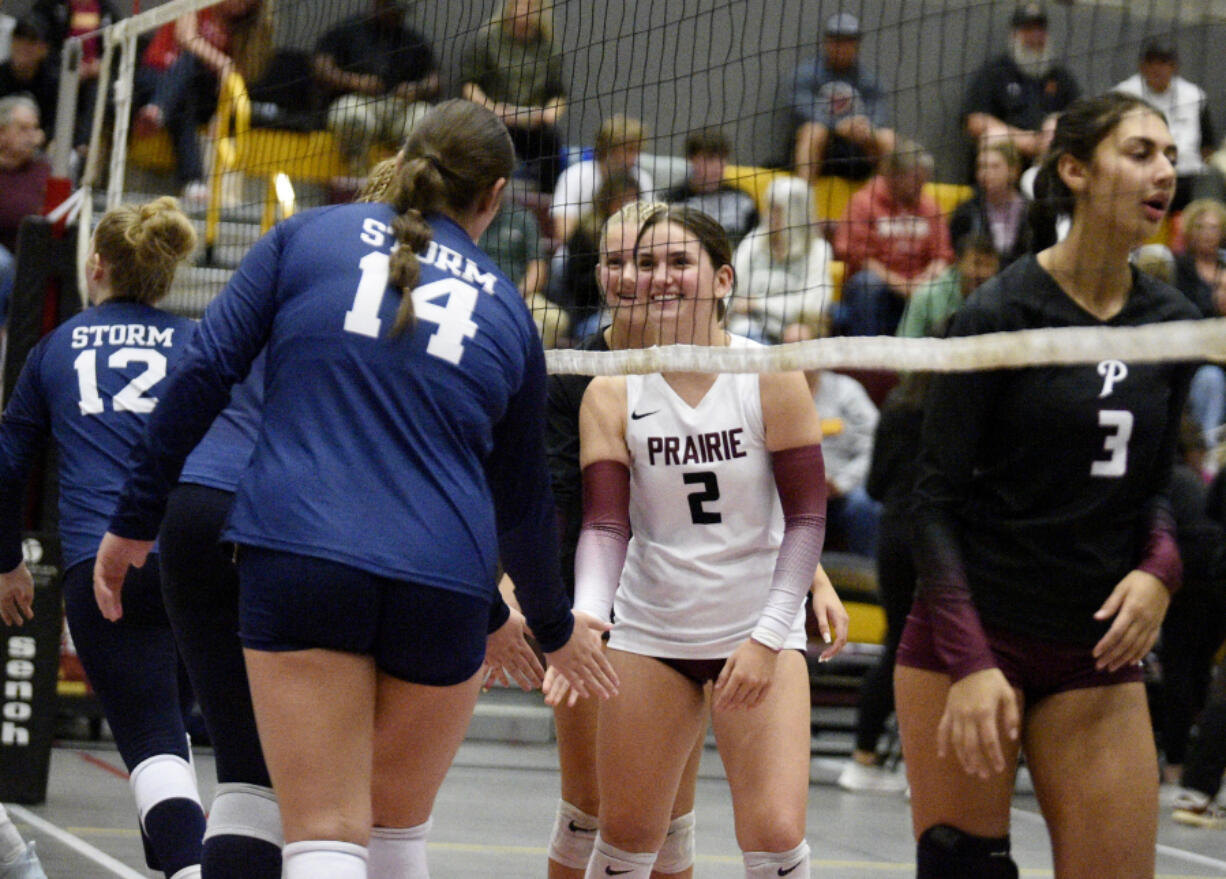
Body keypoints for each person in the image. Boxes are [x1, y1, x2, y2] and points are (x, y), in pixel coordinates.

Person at [93, 100, 617, 879]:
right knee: (396, 831)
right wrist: (548, 621)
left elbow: (203, 373)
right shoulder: (509, 308)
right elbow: (525, 498)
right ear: (497, 195)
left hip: (304, 554)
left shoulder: (306, 237)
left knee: (325, 831)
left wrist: (134, 519)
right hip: (443, 581)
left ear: (403, 160)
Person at [896, 92, 1199, 879]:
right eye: (1140, 153)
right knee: (965, 868)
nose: (1164, 171)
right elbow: (929, 504)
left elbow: (1157, 485)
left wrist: (1159, 571)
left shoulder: (1172, 318)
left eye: (1169, 155)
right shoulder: (998, 314)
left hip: (1094, 645)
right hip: (973, 632)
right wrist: (968, 662)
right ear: (1074, 170)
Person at [564, 205, 845, 879]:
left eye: (679, 262)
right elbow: (605, 527)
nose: (659, 277)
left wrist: (768, 635)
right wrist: (586, 614)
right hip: (652, 631)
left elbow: (806, 520)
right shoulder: (611, 390)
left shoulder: (771, 373)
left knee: (775, 835)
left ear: (723, 279)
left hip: (756, 628)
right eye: (647, 263)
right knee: (628, 833)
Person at [0, 197, 206, 879]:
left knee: (153, 736)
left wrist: (8, 562)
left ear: (96, 266)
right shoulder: (198, 342)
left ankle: (186, 865)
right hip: (196, 559)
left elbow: (6, 465)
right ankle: (180, 857)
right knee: (176, 732)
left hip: (102, 566)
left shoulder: (55, 348)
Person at [542, 200, 704, 879]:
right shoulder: (573, 368)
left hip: (686, 604)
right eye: (613, 261)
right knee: (589, 803)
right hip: (596, 605)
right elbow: (553, 499)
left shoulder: (711, 363)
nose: (629, 276)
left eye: (645, 260)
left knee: (671, 819)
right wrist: (557, 618)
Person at [837, 370, 932, 795]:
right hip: (946, 537)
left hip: (895, 533)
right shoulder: (969, 402)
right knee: (944, 648)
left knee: (898, 643)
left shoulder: (900, 401)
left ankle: (863, 756)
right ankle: (925, 768)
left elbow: (874, 485)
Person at [134, 0, 275, 205]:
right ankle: (193, 181)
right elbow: (186, 37)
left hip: (196, 95)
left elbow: (237, 79)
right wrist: (224, 63)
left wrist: (221, 115)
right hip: (154, 78)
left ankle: (156, 111)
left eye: (249, 4)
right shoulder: (197, 4)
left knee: (185, 96)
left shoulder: (245, 29)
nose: (242, 5)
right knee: (189, 66)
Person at [833, 142, 953, 336]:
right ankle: (867, 361)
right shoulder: (863, 202)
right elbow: (860, 258)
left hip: (919, 286)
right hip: (881, 285)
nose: (921, 186)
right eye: (915, 180)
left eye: (924, 180)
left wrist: (926, 279)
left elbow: (941, 256)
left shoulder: (929, 205)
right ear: (893, 175)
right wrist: (901, 285)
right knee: (867, 283)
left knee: (947, 284)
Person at [312, 0, 439, 177]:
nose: (394, 14)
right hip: (359, 102)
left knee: (425, 118)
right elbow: (321, 68)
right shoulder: (346, 31)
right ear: (377, 4)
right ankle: (358, 179)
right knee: (351, 116)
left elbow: (435, 80)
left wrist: (416, 89)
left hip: (400, 107)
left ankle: (407, 180)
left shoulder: (413, 40)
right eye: (389, 7)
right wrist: (355, 81)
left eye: (398, 11)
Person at [460, 0, 567, 194]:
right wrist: (491, 108)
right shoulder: (487, 39)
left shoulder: (549, 46)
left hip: (532, 125)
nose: (523, 10)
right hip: (493, 122)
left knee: (552, 140)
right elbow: (469, 85)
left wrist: (549, 115)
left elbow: (557, 94)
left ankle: (546, 204)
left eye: (531, 5)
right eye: (519, 4)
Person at [961, 2, 1079, 167]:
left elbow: (1079, 121)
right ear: (1014, 34)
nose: (1035, 36)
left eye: (1040, 29)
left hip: (1048, 164)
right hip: (1007, 166)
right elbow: (975, 122)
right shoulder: (996, 72)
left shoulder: (1061, 77)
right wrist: (1025, 141)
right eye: (1028, 29)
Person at [1115, 37, 1223, 212]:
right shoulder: (1124, 95)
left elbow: (1207, 147)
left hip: (1188, 178)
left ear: (1174, 67)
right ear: (1142, 67)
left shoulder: (1194, 95)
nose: (1158, 69)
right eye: (1152, 63)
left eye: (1164, 62)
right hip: (1142, 177)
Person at [790, 12, 895, 182]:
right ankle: (804, 198)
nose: (842, 47)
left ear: (857, 45)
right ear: (827, 42)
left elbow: (879, 113)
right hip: (822, 144)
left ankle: (880, 200)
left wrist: (864, 126)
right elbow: (801, 109)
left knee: (888, 138)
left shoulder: (868, 79)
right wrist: (837, 125)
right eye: (837, 40)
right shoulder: (805, 73)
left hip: (856, 145)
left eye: (849, 41)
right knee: (813, 132)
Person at [728, 175, 833, 342]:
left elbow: (813, 303)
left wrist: (757, 304)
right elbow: (731, 285)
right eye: (768, 208)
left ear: (795, 214)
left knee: (799, 335)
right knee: (742, 332)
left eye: (777, 210)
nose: (769, 215)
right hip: (749, 323)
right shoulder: (754, 240)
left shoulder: (817, 250)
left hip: (793, 325)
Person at [553, 171, 641, 340]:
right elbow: (576, 287)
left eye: (633, 199)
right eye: (622, 200)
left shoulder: (646, 235)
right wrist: (608, 276)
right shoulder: (586, 234)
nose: (627, 205)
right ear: (607, 201)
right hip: (589, 313)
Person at [805, 369, 879, 558]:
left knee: (863, 504)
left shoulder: (847, 391)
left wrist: (840, 483)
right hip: (790, 491)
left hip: (841, 488)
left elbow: (875, 446)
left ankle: (868, 578)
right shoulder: (773, 393)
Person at [550, 114, 654, 246]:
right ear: (608, 148)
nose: (635, 157)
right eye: (629, 149)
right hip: (580, 251)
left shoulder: (642, 179)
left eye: (638, 150)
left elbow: (651, 226)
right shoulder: (575, 175)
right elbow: (564, 233)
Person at [1171, 198, 1226, 449]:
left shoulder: (1224, 264)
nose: (1207, 234)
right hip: (1198, 358)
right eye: (1201, 227)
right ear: (1190, 231)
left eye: (1213, 228)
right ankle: (1208, 452)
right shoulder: (1180, 268)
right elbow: (1182, 314)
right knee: (1210, 379)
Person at [0, 95, 50, 328]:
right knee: (3, 264)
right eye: (22, 129)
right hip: (4, 254)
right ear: (2, 132)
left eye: (34, 129)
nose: (32, 136)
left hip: (31, 252)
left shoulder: (44, 169)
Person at [663, 128, 758, 248]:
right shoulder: (673, 201)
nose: (718, 166)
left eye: (722, 158)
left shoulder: (742, 199)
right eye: (710, 159)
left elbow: (754, 242)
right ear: (691, 160)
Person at [896, 233, 1000, 339]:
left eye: (989, 265)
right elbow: (905, 343)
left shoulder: (1001, 298)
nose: (983, 273)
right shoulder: (925, 296)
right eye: (977, 264)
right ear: (958, 262)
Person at [949, 141, 1031, 268]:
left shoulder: (1032, 211)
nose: (985, 172)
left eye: (994, 166)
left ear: (1014, 171)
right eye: (981, 166)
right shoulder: (965, 212)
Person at [0, 15, 56, 139]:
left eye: (32, 40)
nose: (23, 45)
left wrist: (44, 136)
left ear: (44, 48)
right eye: (19, 37)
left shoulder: (53, 84)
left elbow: (56, 125)